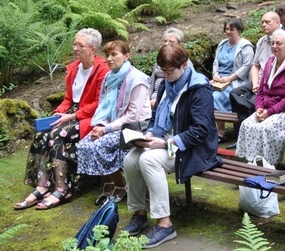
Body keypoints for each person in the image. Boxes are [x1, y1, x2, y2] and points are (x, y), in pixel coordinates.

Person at [122, 44, 220, 247]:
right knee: (131, 158)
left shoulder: (199, 88)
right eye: (162, 71)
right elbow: (156, 116)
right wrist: (148, 134)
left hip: (192, 148)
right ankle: (140, 214)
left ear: (184, 66)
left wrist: (167, 142)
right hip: (165, 140)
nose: (165, 75)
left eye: (169, 71)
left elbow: (201, 131)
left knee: (149, 160)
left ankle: (165, 224)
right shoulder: (165, 85)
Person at [15, 29, 110, 210]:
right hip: (72, 111)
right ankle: (42, 186)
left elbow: (99, 103)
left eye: (80, 45)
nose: (75, 48)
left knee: (57, 135)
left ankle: (62, 188)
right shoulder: (74, 68)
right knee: (42, 133)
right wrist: (59, 113)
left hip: (91, 116)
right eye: (74, 44)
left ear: (93, 49)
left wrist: (72, 116)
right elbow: (68, 98)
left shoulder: (102, 69)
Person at [77, 40, 151, 201]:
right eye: (107, 55)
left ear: (126, 56)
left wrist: (106, 129)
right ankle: (109, 184)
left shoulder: (137, 79)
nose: (109, 59)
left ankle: (120, 185)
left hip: (136, 127)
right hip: (113, 125)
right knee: (84, 144)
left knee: (100, 146)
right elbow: (103, 105)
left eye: (114, 54)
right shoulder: (109, 77)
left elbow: (133, 115)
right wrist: (100, 125)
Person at [236, 30, 285, 165]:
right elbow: (261, 89)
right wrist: (259, 108)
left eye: (279, 43)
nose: (274, 46)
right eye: (273, 43)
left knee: (266, 128)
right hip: (267, 107)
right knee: (247, 124)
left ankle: (268, 165)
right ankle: (252, 162)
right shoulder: (270, 62)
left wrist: (269, 112)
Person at [229, 12, 281, 125]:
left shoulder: (284, 41)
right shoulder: (261, 41)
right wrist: (255, 83)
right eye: (262, 22)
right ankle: (240, 132)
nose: (264, 24)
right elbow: (255, 65)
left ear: (277, 23)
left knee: (250, 100)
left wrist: (261, 85)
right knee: (234, 93)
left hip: (271, 83)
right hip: (258, 80)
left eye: (267, 22)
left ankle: (249, 125)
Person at [212, 18, 254, 113]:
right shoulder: (222, 44)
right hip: (218, 81)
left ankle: (221, 127)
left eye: (231, 29)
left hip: (235, 82)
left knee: (215, 97)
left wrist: (229, 78)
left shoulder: (246, 46)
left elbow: (247, 66)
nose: (228, 32)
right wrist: (215, 73)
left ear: (239, 31)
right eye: (226, 29)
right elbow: (216, 62)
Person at [148, 28, 191, 108]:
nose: (167, 43)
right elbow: (151, 82)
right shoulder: (160, 60)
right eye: (165, 41)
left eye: (171, 41)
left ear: (180, 44)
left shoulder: (183, 63)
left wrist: (158, 101)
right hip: (150, 101)